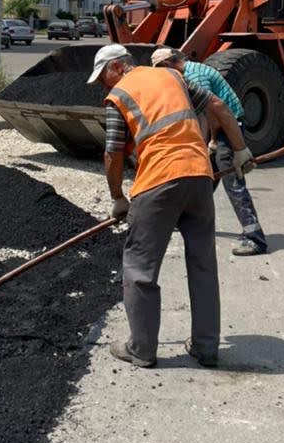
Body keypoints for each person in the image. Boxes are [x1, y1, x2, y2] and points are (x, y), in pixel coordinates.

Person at [91, 43, 255, 369]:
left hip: (159, 181)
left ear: (116, 68)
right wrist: (240, 151)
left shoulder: (118, 95)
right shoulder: (173, 78)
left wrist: (118, 199)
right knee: (203, 264)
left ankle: (141, 348)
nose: (103, 86)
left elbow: (113, 154)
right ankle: (207, 348)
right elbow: (218, 105)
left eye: (102, 78)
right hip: (198, 177)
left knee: (139, 268)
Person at [151, 47, 268, 256]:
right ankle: (188, 219)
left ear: (168, 65)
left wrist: (227, 145)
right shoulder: (191, 71)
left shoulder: (193, 75)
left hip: (229, 127)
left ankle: (255, 238)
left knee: (233, 180)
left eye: (161, 71)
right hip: (222, 127)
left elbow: (214, 110)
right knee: (207, 177)